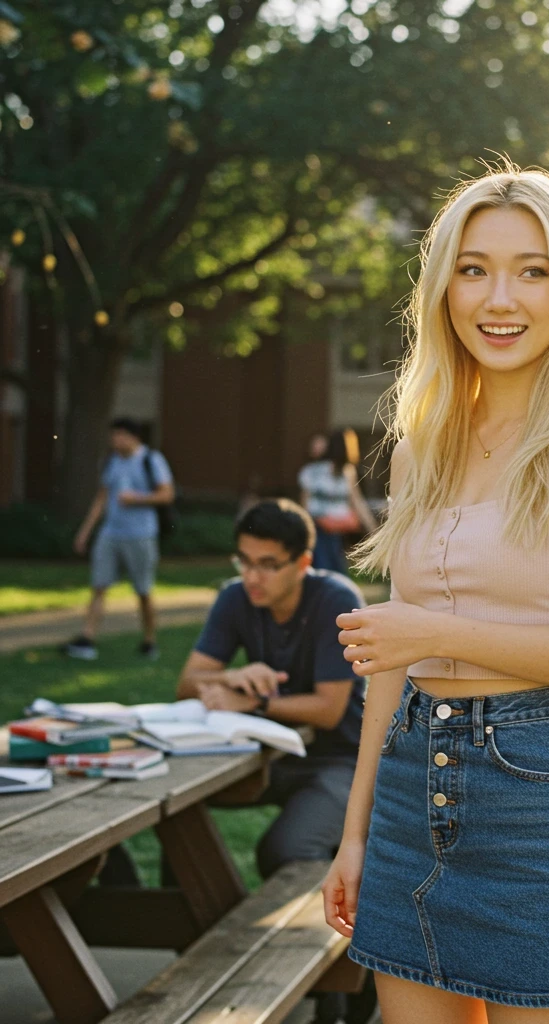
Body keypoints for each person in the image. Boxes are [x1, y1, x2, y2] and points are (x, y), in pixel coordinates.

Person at [320, 165, 549, 1021]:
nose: (498, 297)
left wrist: (434, 627)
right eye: (473, 269)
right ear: (442, 288)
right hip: (406, 789)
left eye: (531, 270)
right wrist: (355, 833)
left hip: (534, 795)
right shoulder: (419, 448)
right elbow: (390, 663)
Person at [176, 498, 376, 1024]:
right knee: (176, 813)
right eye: (244, 561)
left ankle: (341, 988)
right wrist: (232, 678)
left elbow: (331, 709)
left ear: (302, 563)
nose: (252, 576)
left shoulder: (335, 597)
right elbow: (186, 684)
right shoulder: (235, 598)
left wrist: (254, 701)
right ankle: (202, 949)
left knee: (287, 849)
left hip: (342, 761)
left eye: (268, 564)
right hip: (270, 755)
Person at [65, 417, 175, 661]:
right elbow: (101, 498)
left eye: (120, 435)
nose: (115, 440)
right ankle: (87, 638)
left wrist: (137, 498)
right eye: (113, 435)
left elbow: (167, 494)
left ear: (134, 437)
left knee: (143, 591)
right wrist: (85, 532)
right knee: (98, 586)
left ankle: (149, 640)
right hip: (110, 533)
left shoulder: (151, 460)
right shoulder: (111, 462)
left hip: (141, 535)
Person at [299, 428, 377, 575]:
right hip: (332, 527)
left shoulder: (312, 471)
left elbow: (305, 504)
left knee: (323, 568)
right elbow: (357, 502)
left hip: (320, 526)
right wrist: (372, 528)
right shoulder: (346, 471)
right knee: (336, 569)